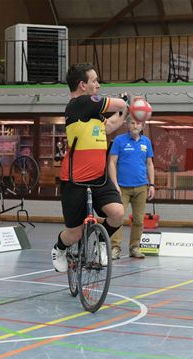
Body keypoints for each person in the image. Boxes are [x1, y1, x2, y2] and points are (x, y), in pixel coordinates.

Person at [51, 63, 127, 272]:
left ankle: (102, 242)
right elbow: (117, 103)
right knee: (74, 233)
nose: (98, 85)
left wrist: (127, 111)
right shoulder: (80, 103)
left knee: (118, 214)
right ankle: (59, 248)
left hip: (99, 177)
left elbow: (110, 125)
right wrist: (127, 102)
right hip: (75, 179)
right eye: (94, 81)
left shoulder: (91, 112)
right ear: (83, 85)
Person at [108, 114, 155, 260]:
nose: (135, 126)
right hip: (122, 187)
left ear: (143, 126)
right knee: (117, 218)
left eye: (138, 123)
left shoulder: (146, 142)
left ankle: (134, 247)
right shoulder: (119, 140)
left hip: (141, 186)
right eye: (133, 123)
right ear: (127, 125)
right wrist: (114, 183)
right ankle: (115, 248)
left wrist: (152, 184)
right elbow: (112, 163)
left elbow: (149, 164)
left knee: (139, 220)